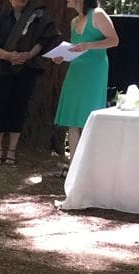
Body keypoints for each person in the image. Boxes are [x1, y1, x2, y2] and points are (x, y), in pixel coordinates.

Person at [0, 0, 61, 166]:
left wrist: (28, 55)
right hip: (3, 70)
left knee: (19, 108)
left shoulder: (38, 16)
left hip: (27, 69)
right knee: (0, 107)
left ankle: (12, 150)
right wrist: (9, 56)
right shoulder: (2, 18)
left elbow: (43, 40)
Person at [53, 0, 119, 166]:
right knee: (73, 116)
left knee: (89, 113)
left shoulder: (98, 14)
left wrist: (89, 45)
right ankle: (73, 164)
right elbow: (76, 48)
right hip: (76, 69)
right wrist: (63, 56)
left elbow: (114, 40)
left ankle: (89, 164)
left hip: (94, 70)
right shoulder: (74, 21)